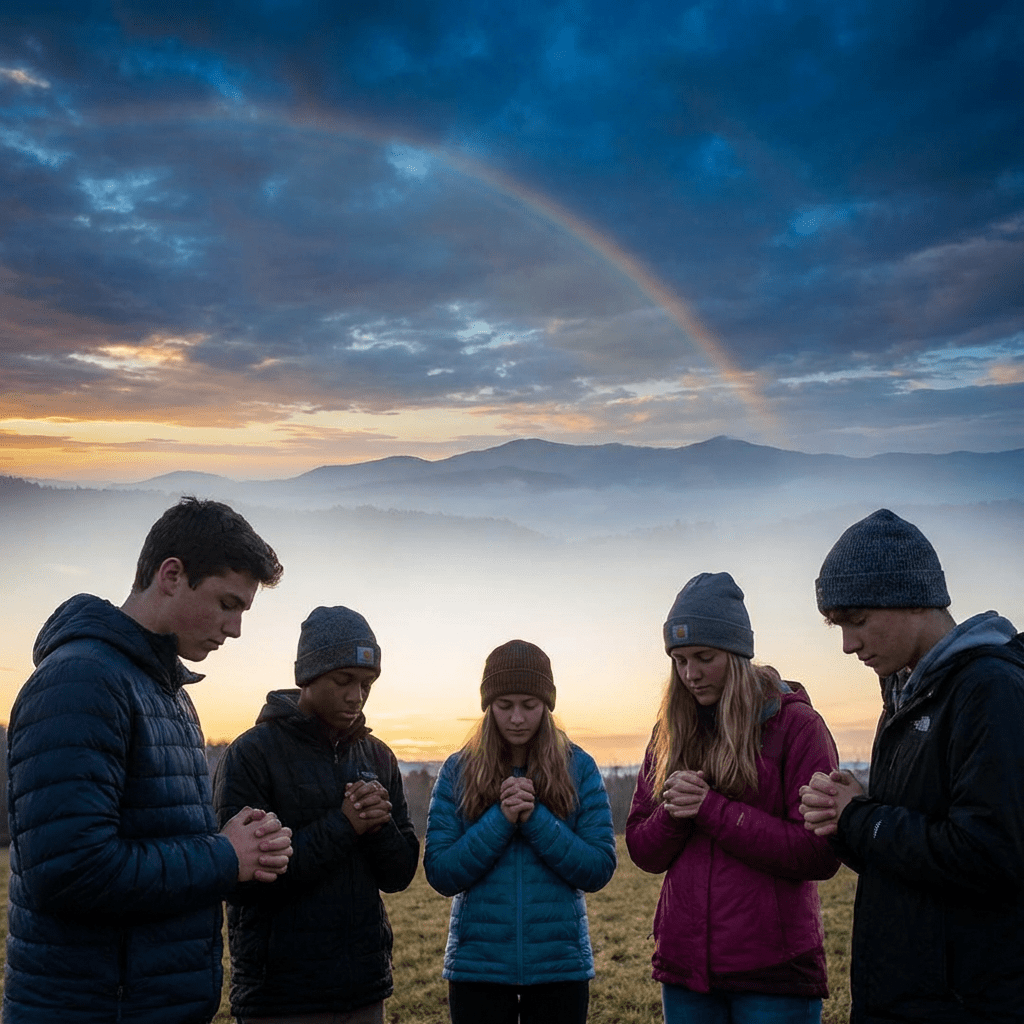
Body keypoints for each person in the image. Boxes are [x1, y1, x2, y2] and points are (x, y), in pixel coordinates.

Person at [4, 497, 293, 1024]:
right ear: (172, 574)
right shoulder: (79, 683)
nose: (235, 629)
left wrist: (236, 841)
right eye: (228, 603)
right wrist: (225, 856)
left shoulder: (169, 694)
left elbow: (153, 839)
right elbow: (70, 872)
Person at [799, 508, 1024, 1023]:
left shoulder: (990, 690)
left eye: (857, 621)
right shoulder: (906, 694)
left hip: (964, 1003)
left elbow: (989, 854)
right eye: (839, 625)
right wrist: (842, 821)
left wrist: (862, 817)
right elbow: (910, 858)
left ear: (912, 599)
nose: (847, 643)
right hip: (903, 997)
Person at [626, 572, 841, 1024]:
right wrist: (674, 813)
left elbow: (819, 853)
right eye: (680, 660)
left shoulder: (797, 726)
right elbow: (643, 850)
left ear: (738, 654)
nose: (691, 674)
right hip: (686, 972)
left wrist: (712, 809)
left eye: (704, 657)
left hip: (775, 975)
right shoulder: (669, 733)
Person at [213, 605, 420, 1024]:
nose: (356, 695)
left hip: (364, 989)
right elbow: (244, 885)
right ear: (307, 676)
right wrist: (345, 824)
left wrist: (377, 827)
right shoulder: (253, 755)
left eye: (366, 683)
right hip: (280, 998)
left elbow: (398, 876)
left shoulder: (378, 756)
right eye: (343, 680)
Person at [424, 639, 616, 1024]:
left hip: (559, 969)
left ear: (547, 706)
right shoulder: (457, 771)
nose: (516, 718)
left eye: (529, 706)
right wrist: (501, 819)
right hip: (478, 970)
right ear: (487, 707)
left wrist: (535, 819)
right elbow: (441, 872)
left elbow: (598, 868)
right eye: (504, 705)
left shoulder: (579, 767)